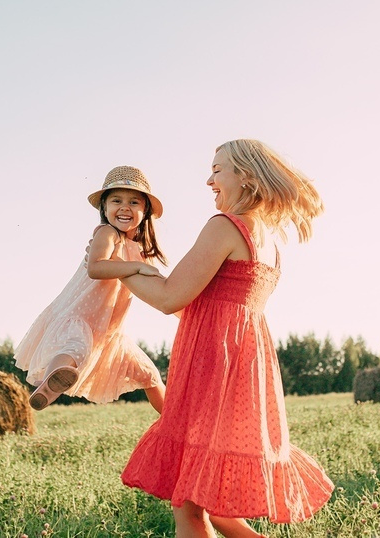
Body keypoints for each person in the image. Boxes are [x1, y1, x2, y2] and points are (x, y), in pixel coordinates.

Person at [119, 140, 334, 537]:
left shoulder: (226, 226)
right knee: (210, 499)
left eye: (217, 170)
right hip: (246, 366)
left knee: (188, 503)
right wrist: (139, 265)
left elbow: (170, 299)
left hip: (212, 363)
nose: (208, 180)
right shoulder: (267, 241)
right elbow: (200, 305)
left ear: (246, 175)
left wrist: (116, 268)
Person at [13, 165, 166, 414]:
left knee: (149, 374)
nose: (125, 207)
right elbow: (96, 267)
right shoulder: (107, 233)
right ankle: (49, 382)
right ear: (104, 209)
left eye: (134, 202)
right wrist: (136, 267)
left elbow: (156, 288)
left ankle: (174, 419)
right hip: (81, 316)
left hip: (110, 331)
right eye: (117, 200)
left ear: (145, 210)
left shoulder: (139, 250)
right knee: (74, 349)